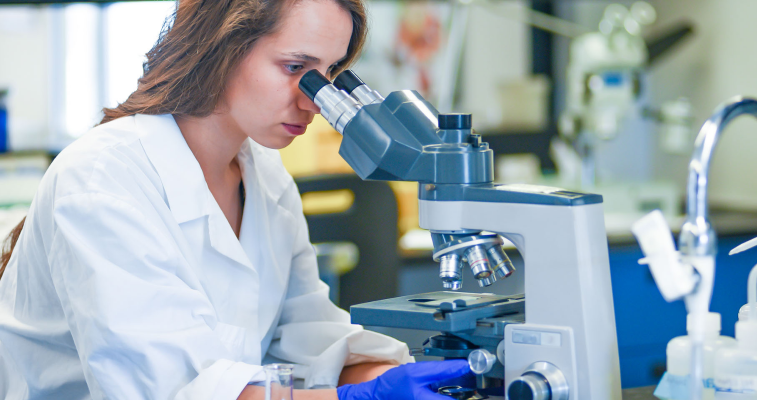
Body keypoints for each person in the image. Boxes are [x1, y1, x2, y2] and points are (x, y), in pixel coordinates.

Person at [0, 0, 471, 399]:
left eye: (330, 74)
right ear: (222, 49)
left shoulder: (264, 177)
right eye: (295, 69)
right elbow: (175, 389)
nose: (315, 100)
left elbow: (307, 337)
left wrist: (387, 380)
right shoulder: (104, 180)